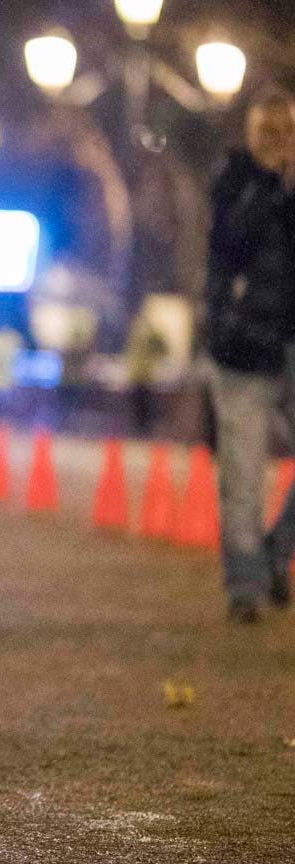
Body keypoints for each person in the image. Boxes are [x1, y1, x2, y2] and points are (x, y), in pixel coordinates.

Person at [203, 93, 295, 624]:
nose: (277, 140)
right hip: (243, 344)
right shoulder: (236, 179)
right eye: (268, 130)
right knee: (241, 470)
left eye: (287, 130)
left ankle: (277, 550)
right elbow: (226, 246)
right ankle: (245, 583)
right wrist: (266, 184)